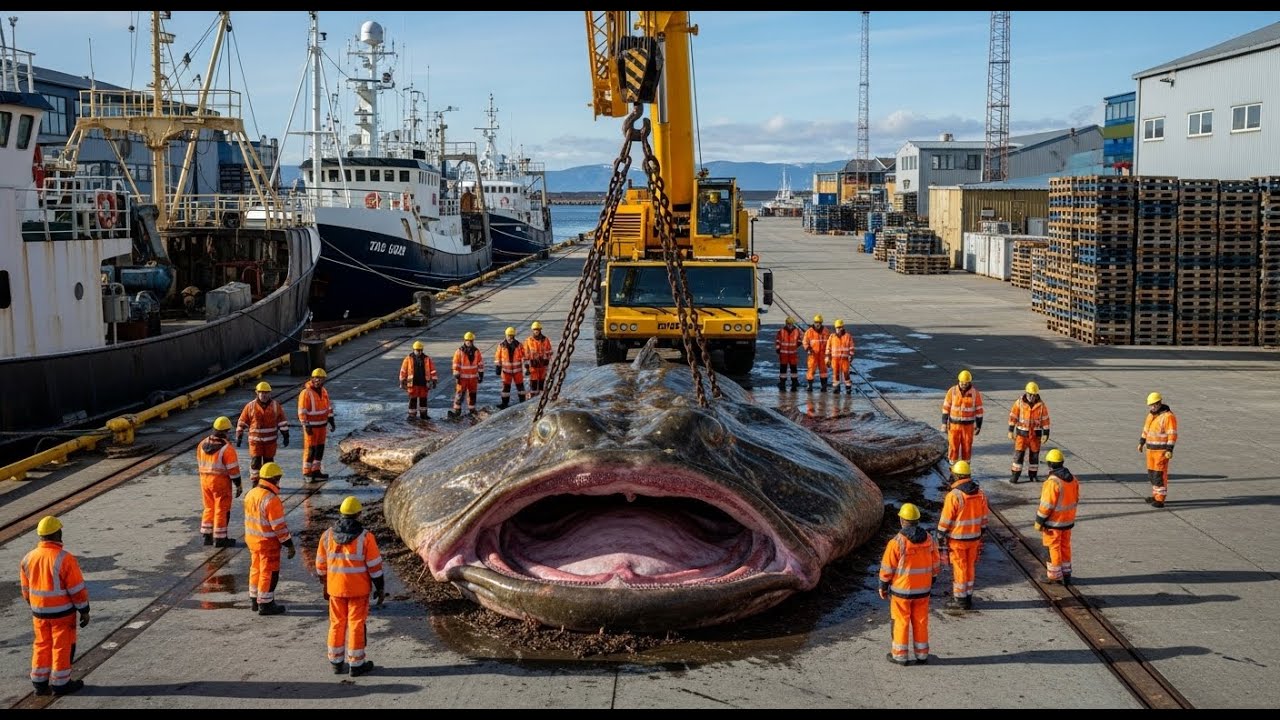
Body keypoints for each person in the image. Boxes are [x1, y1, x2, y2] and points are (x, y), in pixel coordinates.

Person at [315, 496, 385, 678]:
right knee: (356, 624)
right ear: (358, 514)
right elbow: (375, 567)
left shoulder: (327, 536)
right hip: (358, 591)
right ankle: (356, 664)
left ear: (341, 513)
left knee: (337, 623)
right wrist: (380, 587)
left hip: (336, 589)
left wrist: (325, 584)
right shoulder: (366, 538)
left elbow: (320, 566)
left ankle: (336, 662)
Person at [21, 516, 91, 696]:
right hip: (62, 614)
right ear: (58, 534)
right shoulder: (64, 558)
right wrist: (84, 610)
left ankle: (39, 682)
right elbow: (76, 589)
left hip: (39, 613)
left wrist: (35, 605)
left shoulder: (28, 558)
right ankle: (61, 684)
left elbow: (26, 589)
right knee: (61, 646)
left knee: (41, 645)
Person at [878, 503, 940, 666]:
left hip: (902, 592)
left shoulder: (897, 542)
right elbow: (936, 562)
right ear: (917, 520)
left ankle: (900, 655)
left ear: (901, 520)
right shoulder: (929, 539)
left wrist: (883, 585)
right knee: (920, 621)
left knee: (901, 621)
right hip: (923, 591)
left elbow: (887, 567)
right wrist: (932, 577)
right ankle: (922, 654)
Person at [243, 462, 297, 615]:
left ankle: (254, 599)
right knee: (269, 572)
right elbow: (279, 527)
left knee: (256, 569)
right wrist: (289, 544)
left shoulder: (251, 493)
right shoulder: (271, 499)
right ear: (274, 478)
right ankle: (265, 603)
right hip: (267, 543)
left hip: (253, 540)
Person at [936, 460, 989, 613]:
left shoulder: (954, 495)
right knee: (970, 566)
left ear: (956, 475)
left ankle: (960, 599)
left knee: (960, 568)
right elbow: (984, 518)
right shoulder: (979, 494)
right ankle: (968, 596)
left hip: (958, 539)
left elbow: (946, 519)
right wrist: (981, 531)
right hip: (974, 538)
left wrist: (940, 534)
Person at [196, 416, 243, 547]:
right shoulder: (227, 449)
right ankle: (220, 538)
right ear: (225, 432)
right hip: (220, 483)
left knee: (209, 507)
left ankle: (207, 535)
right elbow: (234, 471)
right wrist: (238, 485)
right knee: (221, 509)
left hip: (204, 481)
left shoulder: (202, 444)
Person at [1035, 448, 1078, 585]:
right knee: (1065, 546)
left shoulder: (1052, 482)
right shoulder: (1072, 479)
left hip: (1053, 523)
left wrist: (1039, 521)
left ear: (1050, 464)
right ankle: (1066, 574)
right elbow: (1076, 498)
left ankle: (1053, 576)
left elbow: (1046, 505)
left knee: (1052, 547)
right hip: (1068, 520)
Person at [235, 381, 289, 487]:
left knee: (268, 463)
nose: (264, 395)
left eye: (266, 393)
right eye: (261, 392)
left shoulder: (275, 406)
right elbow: (242, 421)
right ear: (257, 393)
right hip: (255, 442)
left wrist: (286, 434)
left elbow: (282, 420)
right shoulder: (250, 406)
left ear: (270, 393)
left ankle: (267, 482)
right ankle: (255, 483)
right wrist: (239, 435)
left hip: (270, 441)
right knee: (255, 462)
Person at [1139, 391, 1178, 508]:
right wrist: (1141, 442)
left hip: (1161, 452)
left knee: (1159, 475)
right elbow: (1146, 430)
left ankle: (1160, 499)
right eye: (1150, 405)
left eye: (1153, 405)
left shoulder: (1168, 417)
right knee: (1152, 474)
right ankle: (1155, 495)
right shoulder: (1151, 415)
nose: (1152, 407)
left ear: (1159, 403)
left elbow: (1172, 434)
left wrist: (1169, 449)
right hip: (1150, 451)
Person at [1008, 381, 1051, 484]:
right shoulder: (1019, 403)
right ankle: (1015, 476)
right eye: (1030, 394)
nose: (1032, 397)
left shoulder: (1041, 405)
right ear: (1026, 393)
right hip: (1022, 435)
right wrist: (1010, 430)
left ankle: (1033, 476)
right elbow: (1013, 416)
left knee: (1034, 456)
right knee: (1018, 456)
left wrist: (1046, 433)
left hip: (1035, 435)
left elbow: (1045, 420)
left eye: (1034, 395)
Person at [298, 368, 335, 482]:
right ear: (312, 379)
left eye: (321, 379)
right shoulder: (306, 393)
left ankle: (316, 471)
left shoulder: (324, 391)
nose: (319, 381)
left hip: (322, 426)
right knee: (310, 450)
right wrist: (306, 425)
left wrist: (331, 420)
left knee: (320, 449)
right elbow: (302, 411)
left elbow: (328, 407)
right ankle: (307, 473)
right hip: (312, 427)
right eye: (317, 378)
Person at [941, 370, 984, 463]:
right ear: (958, 381)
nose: (963, 385)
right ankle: (952, 468)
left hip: (968, 427)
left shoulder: (975, 393)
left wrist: (978, 426)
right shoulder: (952, 391)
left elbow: (979, 411)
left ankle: (966, 468)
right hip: (953, 426)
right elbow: (946, 407)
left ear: (969, 382)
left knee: (967, 447)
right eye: (962, 383)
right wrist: (944, 423)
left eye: (965, 383)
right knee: (953, 447)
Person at [399, 340, 439, 421]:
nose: (419, 352)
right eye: (418, 350)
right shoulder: (408, 359)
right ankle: (412, 415)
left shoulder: (427, 359)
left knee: (423, 400)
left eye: (421, 350)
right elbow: (403, 371)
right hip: (412, 384)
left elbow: (433, 370)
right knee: (413, 400)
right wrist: (402, 381)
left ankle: (423, 415)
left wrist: (434, 380)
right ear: (414, 350)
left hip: (424, 383)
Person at [449, 331, 484, 419]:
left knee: (472, 394)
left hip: (473, 378)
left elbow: (480, 363)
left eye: (471, 341)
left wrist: (481, 374)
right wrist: (456, 373)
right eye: (468, 340)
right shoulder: (459, 351)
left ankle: (472, 410)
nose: (469, 342)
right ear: (464, 341)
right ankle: (457, 411)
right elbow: (455, 363)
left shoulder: (476, 351)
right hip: (462, 378)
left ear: (473, 341)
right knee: (460, 395)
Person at [494, 326, 528, 409]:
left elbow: (524, 357)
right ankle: (504, 404)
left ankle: (522, 402)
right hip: (506, 371)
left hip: (517, 371)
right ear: (506, 335)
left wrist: (526, 367)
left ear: (514, 336)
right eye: (508, 335)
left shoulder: (519, 345)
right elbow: (498, 357)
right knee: (506, 388)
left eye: (511, 335)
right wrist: (498, 367)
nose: (510, 337)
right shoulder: (501, 346)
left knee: (520, 387)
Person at [523, 321, 553, 399]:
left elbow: (549, 351)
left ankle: (540, 397)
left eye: (537, 329)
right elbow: (525, 354)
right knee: (534, 382)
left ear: (540, 330)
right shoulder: (528, 340)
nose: (536, 331)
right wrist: (526, 367)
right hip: (533, 365)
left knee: (542, 382)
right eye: (535, 329)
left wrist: (547, 361)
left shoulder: (545, 340)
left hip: (543, 364)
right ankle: (533, 397)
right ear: (533, 330)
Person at [825, 319, 856, 394]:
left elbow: (851, 347)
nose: (838, 329)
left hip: (845, 359)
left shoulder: (847, 336)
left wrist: (851, 355)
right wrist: (827, 357)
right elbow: (828, 347)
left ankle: (848, 388)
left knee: (846, 374)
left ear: (842, 327)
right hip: (835, 359)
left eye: (840, 327)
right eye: (837, 328)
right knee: (836, 374)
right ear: (835, 328)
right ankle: (836, 388)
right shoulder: (832, 337)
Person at [803, 314, 831, 392]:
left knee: (823, 371)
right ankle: (810, 385)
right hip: (813, 354)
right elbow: (805, 341)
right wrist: (808, 348)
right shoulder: (809, 331)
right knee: (811, 370)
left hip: (823, 354)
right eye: (816, 322)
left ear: (821, 322)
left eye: (819, 322)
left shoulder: (826, 331)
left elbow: (830, 342)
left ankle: (824, 386)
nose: (817, 324)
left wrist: (829, 353)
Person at [774, 316, 802, 391]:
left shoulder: (797, 331)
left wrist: (796, 345)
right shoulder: (781, 331)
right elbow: (778, 341)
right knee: (783, 369)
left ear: (793, 324)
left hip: (792, 353)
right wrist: (778, 348)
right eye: (788, 324)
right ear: (786, 324)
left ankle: (794, 382)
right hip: (784, 353)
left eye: (791, 324)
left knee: (794, 369)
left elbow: (800, 340)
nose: (790, 325)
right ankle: (782, 383)